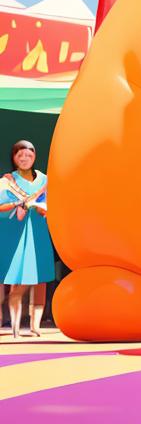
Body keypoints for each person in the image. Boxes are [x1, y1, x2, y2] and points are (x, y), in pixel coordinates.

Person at [0, 140, 54, 338]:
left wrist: (42, 208)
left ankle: (35, 325)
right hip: (16, 234)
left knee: (40, 278)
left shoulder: (44, 180)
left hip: (39, 231)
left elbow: (50, 204)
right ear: (14, 158)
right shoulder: (7, 181)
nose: (24, 159)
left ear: (34, 157)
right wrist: (17, 203)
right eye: (20, 155)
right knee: (17, 277)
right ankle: (15, 326)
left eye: (28, 155)